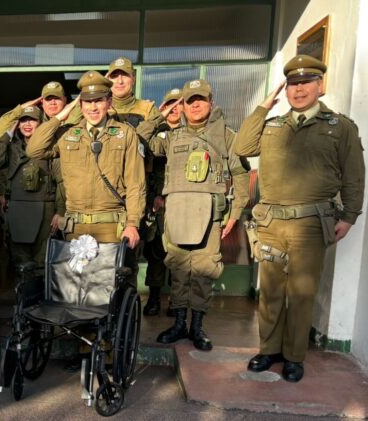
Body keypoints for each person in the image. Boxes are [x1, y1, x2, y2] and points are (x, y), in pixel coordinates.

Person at [236, 55, 365, 382]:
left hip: (311, 224)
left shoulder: (340, 127)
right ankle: (269, 350)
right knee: (270, 292)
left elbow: (354, 175)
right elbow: (242, 145)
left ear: (320, 86)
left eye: (306, 83)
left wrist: (349, 216)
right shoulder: (273, 126)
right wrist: (265, 105)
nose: (299, 89)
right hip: (271, 223)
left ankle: (294, 357)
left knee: (302, 293)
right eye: (293, 84)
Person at [149, 79, 250, 351]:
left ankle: (197, 326)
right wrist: (160, 115)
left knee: (204, 271)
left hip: (209, 217)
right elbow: (142, 141)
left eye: (200, 100)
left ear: (211, 102)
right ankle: (179, 324)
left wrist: (235, 214)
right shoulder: (171, 137)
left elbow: (241, 174)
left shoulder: (226, 136)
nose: (195, 105)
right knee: (178, 269)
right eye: (189, 101)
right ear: (182, 105)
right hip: (177, 216)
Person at [26, 70, 146, 248]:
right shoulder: (67, 134)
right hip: (75, 228)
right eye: (88, 102)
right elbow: (33, 150)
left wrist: (132, 224)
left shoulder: (125, 134)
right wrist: (59, 117)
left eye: (99, 100)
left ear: (109, 102)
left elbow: (136, 183)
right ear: (80, 105)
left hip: (112, 227)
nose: (93, 107)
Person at [0, 105, 64, 270]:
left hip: (45, 208)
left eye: (32, 120)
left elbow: (61, 181)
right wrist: (8, 133)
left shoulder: (51, 147)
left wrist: (60, 211)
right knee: (19, 261)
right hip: (17, 208)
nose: (27, 124)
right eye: (23, 120)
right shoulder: (11, 147)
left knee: (42, 260)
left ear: (41, 123)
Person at [142, 88, 183, 317]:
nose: (174, 109)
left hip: (180, 204)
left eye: (178, 104)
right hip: (157, 204)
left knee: (178, 255)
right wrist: (152, 197)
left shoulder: (190, 133)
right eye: (170, 104)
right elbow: (144, 169)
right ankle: (154, 298)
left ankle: (176, 301)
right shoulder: (156, 134)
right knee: (155, 253)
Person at [0, 81, 82, 136]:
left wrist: (73, 103)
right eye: (48, 99)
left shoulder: (74, 114)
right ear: (42, 102)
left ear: (65, 100)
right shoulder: (35, 120)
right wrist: (27, 105)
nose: (52, 102)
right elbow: (3, 126)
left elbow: (85, 97)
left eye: (56, 98)